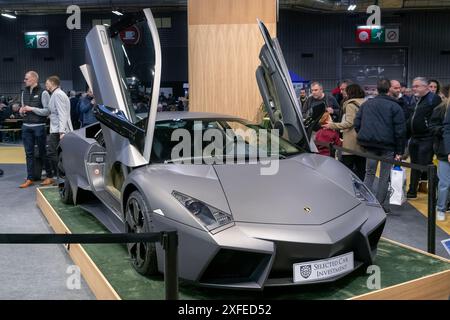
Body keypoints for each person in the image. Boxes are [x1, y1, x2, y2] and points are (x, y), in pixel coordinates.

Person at [354, 79, 406, 213]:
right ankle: (381, 205)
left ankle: (366, 202)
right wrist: (400, 151)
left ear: (377, 89)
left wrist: (363, 136)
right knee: (384, 176)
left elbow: (357, 122)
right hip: (388, 147)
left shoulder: (367, 104)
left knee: (369, 173)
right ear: (389, 89)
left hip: (369, 145)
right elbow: (400, 130)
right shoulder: (395, 106)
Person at [406, 77, 442, 198]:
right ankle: (412, 191)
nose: (414, 88)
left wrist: (431, 130)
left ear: (425, 87)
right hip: (415, 137)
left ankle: (439, 194)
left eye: (417, 86)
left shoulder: (434, 99)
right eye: (413, 86)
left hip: (427, 138)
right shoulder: (417, 99)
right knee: (414, 165)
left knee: (426, 165)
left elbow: (438, 118)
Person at [323, 84, 366, 180]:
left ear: (350, 92)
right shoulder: (364, 102)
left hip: (351, 141)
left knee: (347, 169)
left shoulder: (351, 105)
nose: (342, 92)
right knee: (361, 168)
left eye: (344, 90)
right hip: (363, 139)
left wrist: (332, 125)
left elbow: (349, 123)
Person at [18, 71, 51, 188]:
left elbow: (47, 111)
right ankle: (30, 178)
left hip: (39, 127)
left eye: (26, 79)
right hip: (26, 126)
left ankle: (49, 176)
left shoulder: (44, 93)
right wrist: (21, 111)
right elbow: (23, 108)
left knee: (43, 152)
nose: (24, 80)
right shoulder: (24, 92)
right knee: (29, 154)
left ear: (33, 79)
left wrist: (31, 108)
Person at [40, 75, 73, 186]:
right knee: (56, 153)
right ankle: (62, 177)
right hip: (57, 129)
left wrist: (62, 131)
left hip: (58, 130)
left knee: (52, 153)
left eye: (47, 83)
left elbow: (62, 114)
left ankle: (61, 177)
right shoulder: (56, 94)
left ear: (52, 83)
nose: (46, 85)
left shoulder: (57, 94)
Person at [430, 84, 450, 221]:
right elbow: (433, 127)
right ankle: (441, 208)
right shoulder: (440, 109)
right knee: (444, 183)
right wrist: (442, 131)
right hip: (444, 151)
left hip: (444, 149)